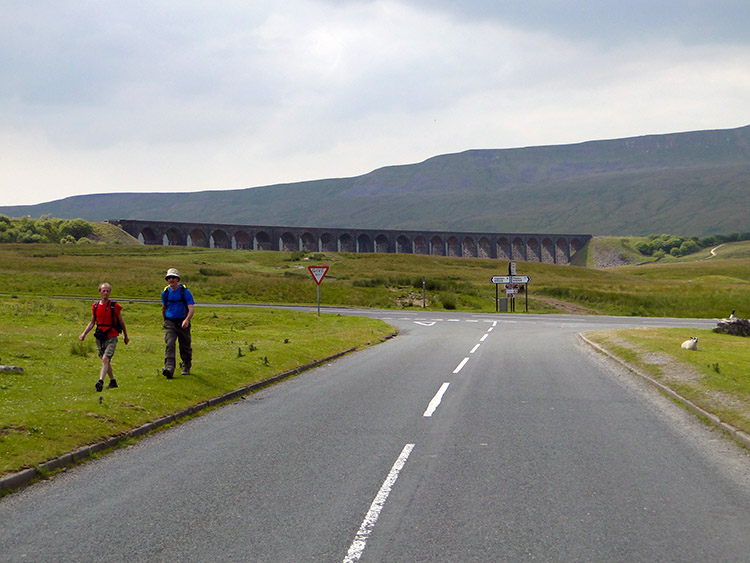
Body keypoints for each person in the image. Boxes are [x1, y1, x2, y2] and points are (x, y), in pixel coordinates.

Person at [80, 282, 129, 392]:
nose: (106, 293)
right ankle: (113, 381)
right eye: (103, 291)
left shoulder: (114, 306)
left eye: (107, 291)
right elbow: (92, 322)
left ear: (110, 292)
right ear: (100, 292)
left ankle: (100, 381)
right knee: (105, 361)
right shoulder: (95, 306)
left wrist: (126, 336)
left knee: (105, 359)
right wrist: (84, 334)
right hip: (100, 336)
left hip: (112, 336)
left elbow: (121, 322)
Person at [161, 268, 195, 378]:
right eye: (169, 278)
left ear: (178, 279)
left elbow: (191, 308)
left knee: (185, 345)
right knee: (170, 344)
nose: (171, 280)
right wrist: (165, 320)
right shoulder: (165, 293)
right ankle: (169, 368)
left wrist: (187, 320)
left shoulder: (185, 292)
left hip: (183, 321)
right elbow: (164, 307)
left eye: (173, 278)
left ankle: (186, 365)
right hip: (170, 322)